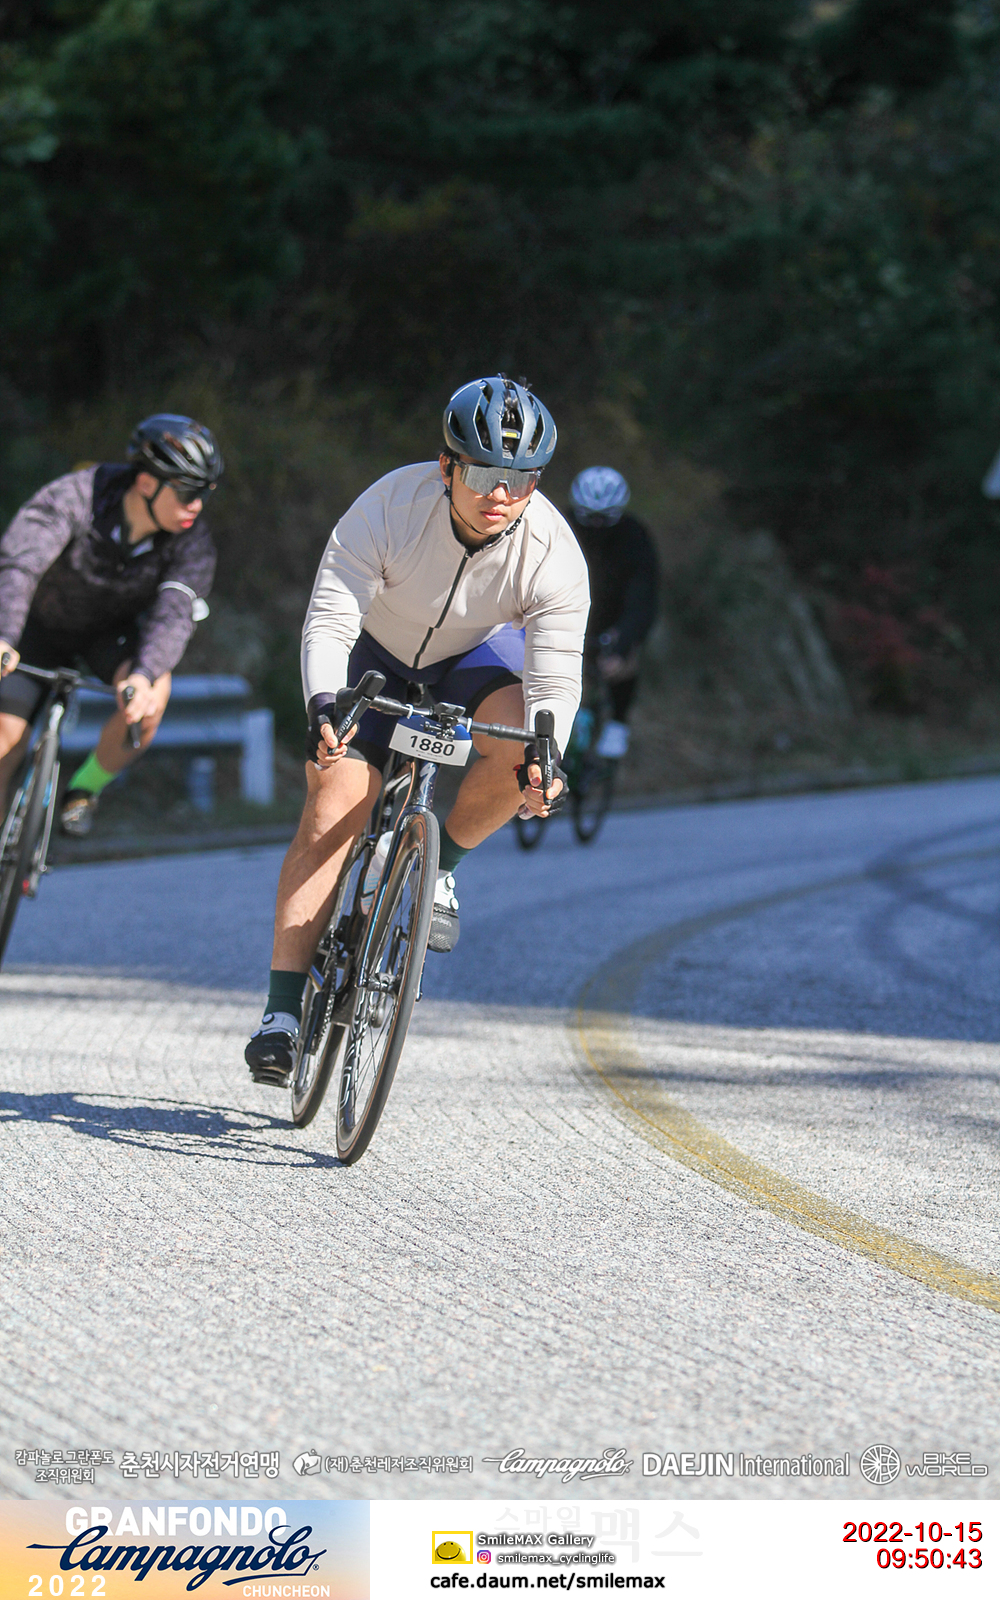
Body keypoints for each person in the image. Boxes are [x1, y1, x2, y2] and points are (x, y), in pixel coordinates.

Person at [245, 374, 590, 1086]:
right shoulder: (388, 506)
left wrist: (547, 754)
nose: (502, 493)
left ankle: (443, 868)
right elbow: (332, 618)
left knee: (524, 745)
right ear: (447, 466)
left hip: (472, 656)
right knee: (333, 807)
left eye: (522, 479)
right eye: (484, 474)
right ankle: (281, 1014)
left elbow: (554, 678)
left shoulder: (553, 550)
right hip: (374, 655)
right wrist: (323, 702)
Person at [0, 415, 221, 834]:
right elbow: (20, 565)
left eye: (205, 492)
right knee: (3, 743)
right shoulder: (77, 496)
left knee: (153, 693)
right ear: (146, 483)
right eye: (188, 491)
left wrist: (143, 673)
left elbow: (174, 612)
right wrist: (4, 633)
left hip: (109, 634)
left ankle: (84, 787)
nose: (196, 505)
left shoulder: (193, 541)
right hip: (36, 625)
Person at [565, 466, 659, 759]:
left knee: (622, 662)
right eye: (588, 518)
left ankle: (618, 722)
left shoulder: (634, 536)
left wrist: (623, 642)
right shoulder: (561, 526)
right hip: (569, 609)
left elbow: (643, 596)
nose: (596, 526)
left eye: (604, 519)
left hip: (614, 614)